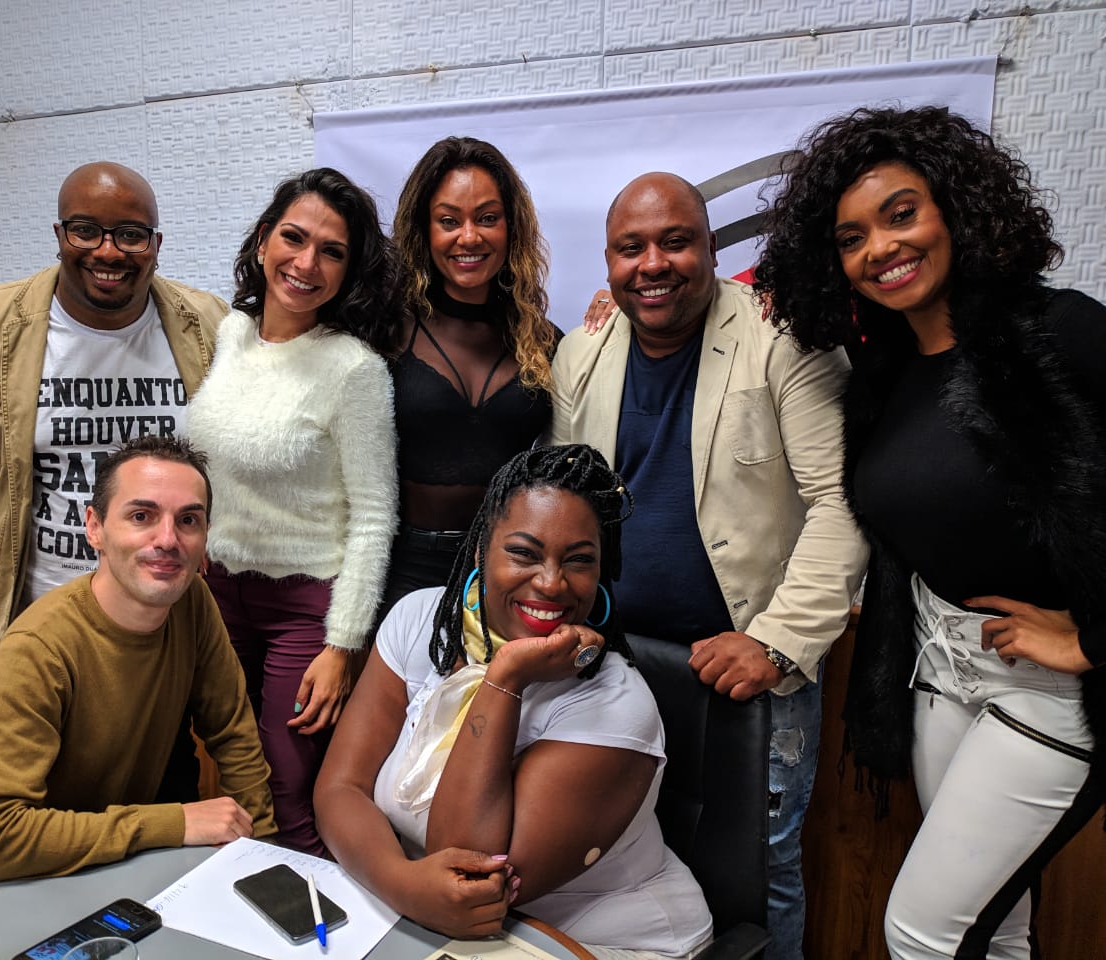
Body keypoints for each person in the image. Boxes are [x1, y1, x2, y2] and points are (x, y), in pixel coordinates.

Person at [755, 105, 1106, 960]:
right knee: (998, 932)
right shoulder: (882, 370)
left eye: (901, 213)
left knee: (922, 934)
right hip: (940, 674)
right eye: (850, 237)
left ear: (956, 208)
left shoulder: (1061, 332)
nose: (879, 247)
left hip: (1048, 694)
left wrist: (1094, 638)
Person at [549, 172, 867, 960]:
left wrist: (776, 642)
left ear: (711, 248)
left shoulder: (782, 337)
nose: (652, 263)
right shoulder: (582, 352)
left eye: (674, 241)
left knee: (763, 868)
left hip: (746, 670)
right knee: (626, 856)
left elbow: (841, 503)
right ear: (609, 262)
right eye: (631, 248)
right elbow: (563, 501)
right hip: (614, 664)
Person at [316, 444, 714, 958]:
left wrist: (505, 678)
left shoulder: (616, 703)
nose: (551, 582)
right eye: (524, 553)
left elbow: (468, 870)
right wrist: (403, 883)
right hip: (434, 925)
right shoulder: (420, 622)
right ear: (481, 550)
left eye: (579, 561)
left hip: (603, 941)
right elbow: (340, 788)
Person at [0, 161, 225, 674]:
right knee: (24, 754)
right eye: (86, 230)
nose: (108, 251)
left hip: (166, 620)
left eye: (131, 235)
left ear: (156, 245)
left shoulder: (210, 326)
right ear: (60, 234)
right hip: (31, 620)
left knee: (163, 755)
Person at [186, 168, 399, 857]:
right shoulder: (231, 336)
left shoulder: (353, 369)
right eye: (293, 237)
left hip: (305, 607)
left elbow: (373, 516)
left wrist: (342, 645)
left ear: (349, 269)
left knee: (290, 789)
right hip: (217, 595)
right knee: (226, 777)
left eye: (331, 251)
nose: (306, 263)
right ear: (262, 240)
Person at [0, 435, 276, 883]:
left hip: (137, 868)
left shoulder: (192, 601)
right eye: (141, 516)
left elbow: (233, 732)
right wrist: (169, 823)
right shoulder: (37, 649)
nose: (168, 539)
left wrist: (263, 854)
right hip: (48, 880)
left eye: (188, 520)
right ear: (94, 528)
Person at [381, 136, 560, 617]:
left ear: (511, 227)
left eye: (486, 218)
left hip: (507, 569)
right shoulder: (386, 330)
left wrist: (613, 312)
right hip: (404, 568)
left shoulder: (542, 338)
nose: (468, 236)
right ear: (424, 229)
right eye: (448, 220)